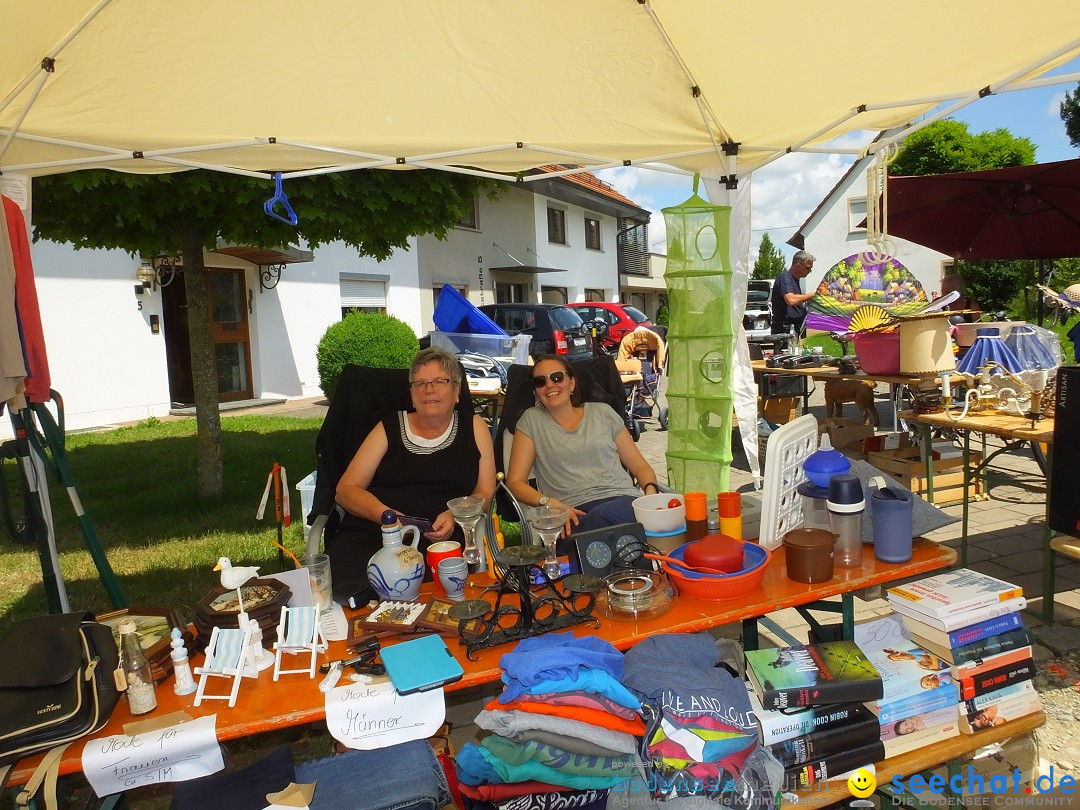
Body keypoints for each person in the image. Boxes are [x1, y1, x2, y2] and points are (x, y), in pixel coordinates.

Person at [331, 347, 496, 583]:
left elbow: (485, 491)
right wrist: (386, 517)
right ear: (411, 394)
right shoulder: (388, 428)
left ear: (457, 390)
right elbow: (346, 489)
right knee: (355, 588)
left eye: (439, 381)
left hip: (441, 542)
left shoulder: (475, 427)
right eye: (420, 383)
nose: (429, 389)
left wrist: (455, 513)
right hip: (377, 535)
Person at [506, 355, 659, 537]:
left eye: (557, 377)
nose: (549, 385)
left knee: (603, 522)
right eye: (540, 381)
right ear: (536, 391)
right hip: (571, 513)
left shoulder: (602, 413)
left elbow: (640, 466)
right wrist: (549, 502)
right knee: (594, 531)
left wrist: (650, 494)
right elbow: (515, 482)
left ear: (571, 383)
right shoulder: (532, 420)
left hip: (621, 500)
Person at [770, 250, 816, 336]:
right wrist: (812, 295)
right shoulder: (785, 277)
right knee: (788, 350)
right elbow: (791, 300)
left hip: (794, 327)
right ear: (798, 265)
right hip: (784, 329)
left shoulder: (795, 280)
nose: (809, 271)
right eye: (807, 268)